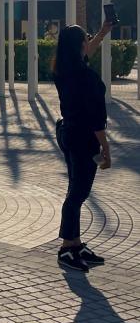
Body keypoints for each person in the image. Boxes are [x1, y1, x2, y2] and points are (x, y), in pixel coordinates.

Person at [53, 22, 112, 272]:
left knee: (75, 190)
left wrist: (102, 33)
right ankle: (67, 247)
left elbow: (85, 51)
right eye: (86, 39)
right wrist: (106, 149)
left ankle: (75, 244)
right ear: (80, 45)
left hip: (68, 133)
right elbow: (96, 117)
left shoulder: (63, 68)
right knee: (78, 193)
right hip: (84, 138)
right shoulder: (85, 76)